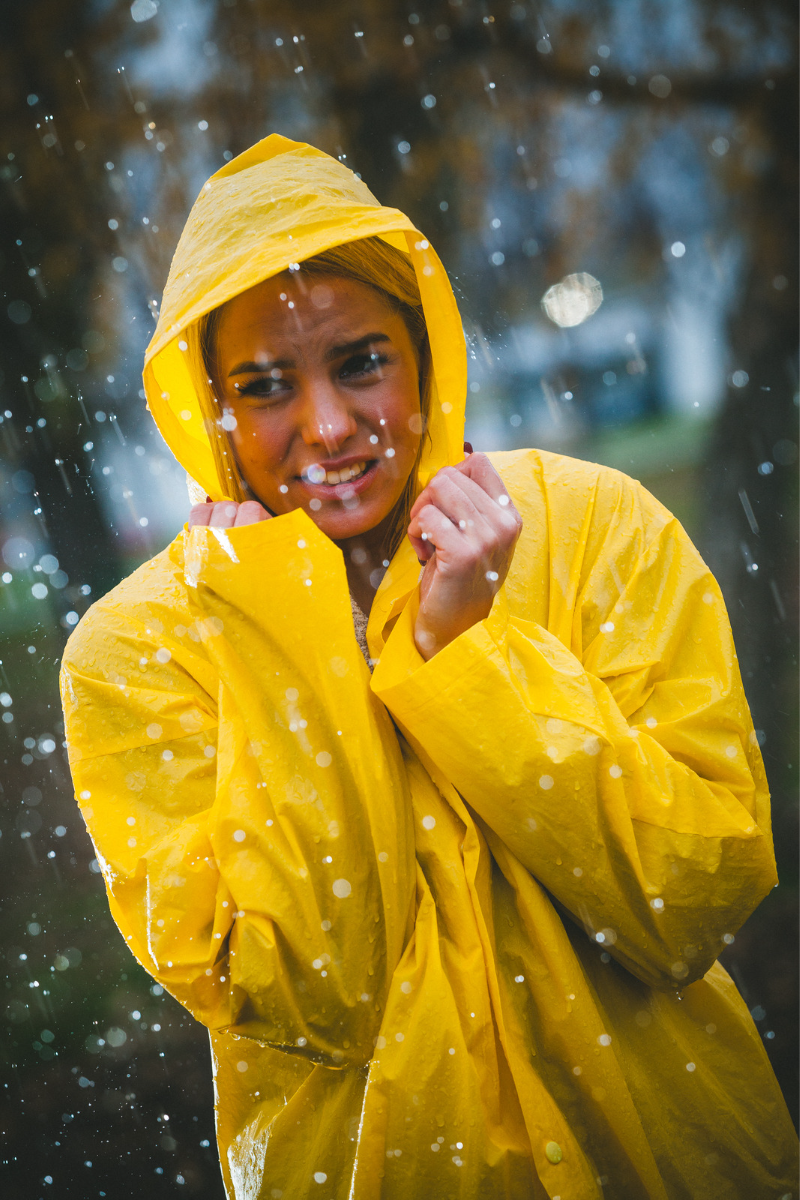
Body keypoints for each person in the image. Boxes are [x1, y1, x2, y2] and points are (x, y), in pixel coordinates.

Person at [60, 134, 797, 1199]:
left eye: (359, 361)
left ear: (424, 354)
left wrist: (468, 654)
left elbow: (687, 903)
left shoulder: (595, 529)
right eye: (264, 386)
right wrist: (277, 637)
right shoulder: (134, 656)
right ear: (206, 406)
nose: (324, 428)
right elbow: (322, 995)